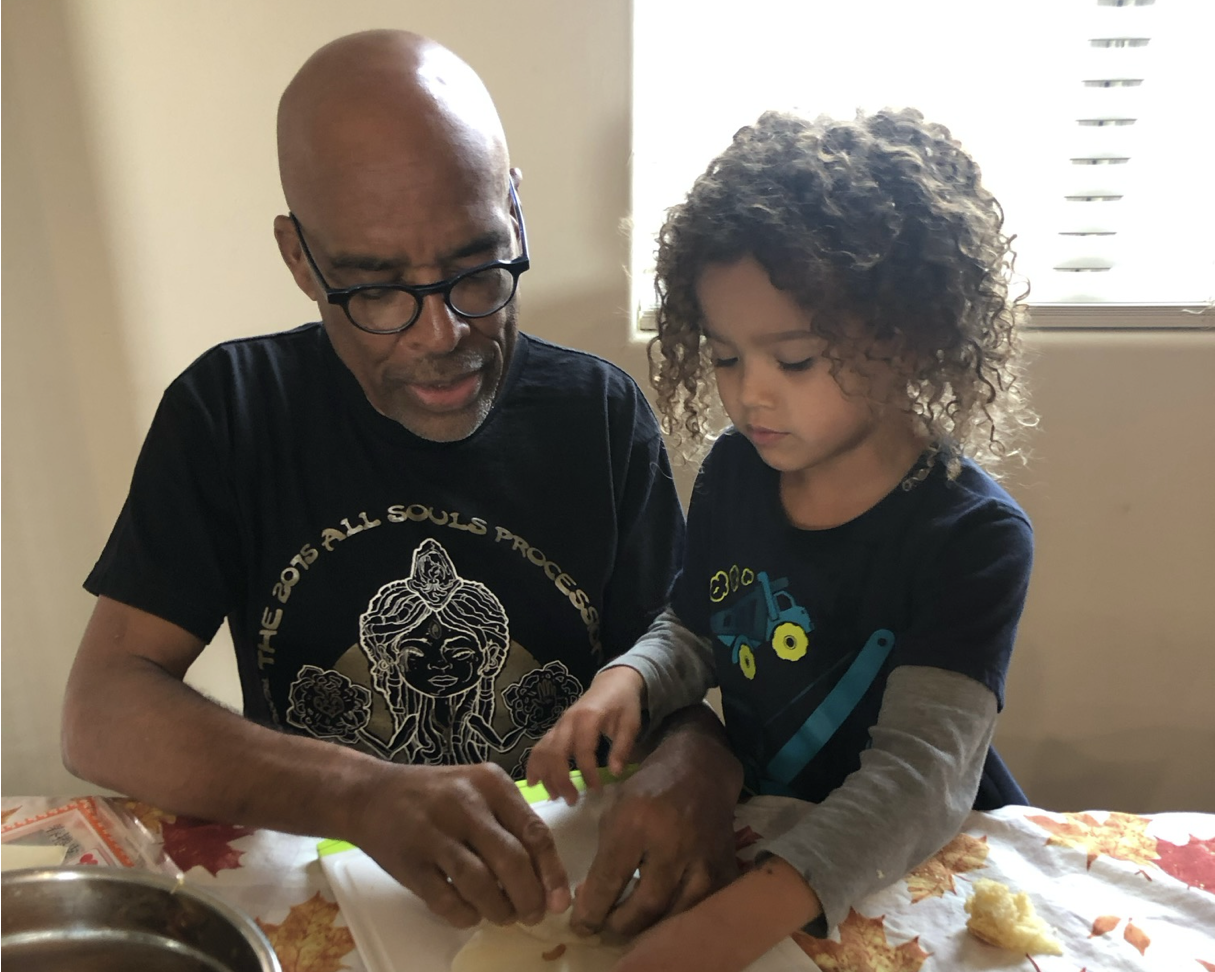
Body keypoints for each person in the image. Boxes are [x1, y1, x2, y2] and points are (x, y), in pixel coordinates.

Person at [60, 29, 742, 937]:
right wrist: (358, 793)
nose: (439, 335)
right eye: (376, 289)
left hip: (556, 900)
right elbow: (102, 711)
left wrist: (702, 753)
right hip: (332, 896)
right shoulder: (232, 412)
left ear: (515, 214)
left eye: (476, 269)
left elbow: (669, 674)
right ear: (299, 258)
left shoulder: (601, 416)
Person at [527, 106, 1035, 970]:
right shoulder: (737, 469)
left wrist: (723, 930)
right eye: (725, 356)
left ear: (907, 338)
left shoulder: (972, 538)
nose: (749, 395)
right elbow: (697, 625)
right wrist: (628, 679)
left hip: (899, 867)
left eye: (793, 360)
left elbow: (917, 784)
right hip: (773, 830)